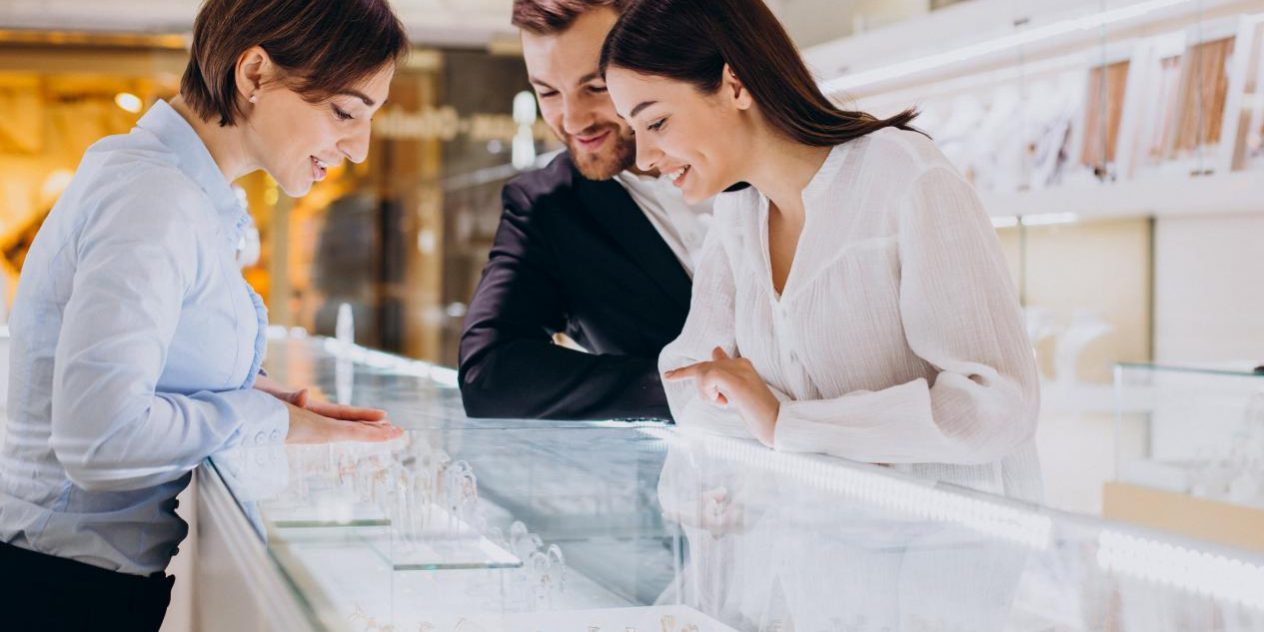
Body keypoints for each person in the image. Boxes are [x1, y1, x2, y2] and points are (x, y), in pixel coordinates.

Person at [0, 0, 408, 629]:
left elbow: (157, 360)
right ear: (254, 75)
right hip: (57, 592)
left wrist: (283, 402)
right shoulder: (154, 199)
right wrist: (270, 420)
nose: (358, 147)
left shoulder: (177, 190)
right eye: (344, 112)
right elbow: (98, 439)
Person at [602, 0, 1041, 499]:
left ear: (735, 84)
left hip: (936, 559)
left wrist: (786, 423)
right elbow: (689, 383)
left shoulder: (903, 176)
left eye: (655, 122)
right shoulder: (738, 215)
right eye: (632, 129)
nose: (643, 157)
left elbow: (997, 405)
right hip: (807, 550)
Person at [457, 0, 714, 422]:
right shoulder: (547, 207)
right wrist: (687, 388)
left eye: (596, 86)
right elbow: (490, 375)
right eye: (548, 92)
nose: (574, 121)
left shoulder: (757, 164)